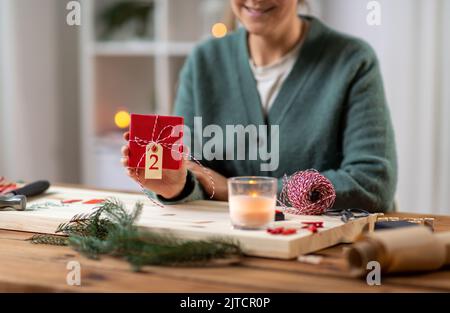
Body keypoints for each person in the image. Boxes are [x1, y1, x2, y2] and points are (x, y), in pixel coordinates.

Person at [121, 0, 397, 213]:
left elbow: (371, 184)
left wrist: (235, 190)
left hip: (332, 252)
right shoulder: (204, 61)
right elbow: (195, 174)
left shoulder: (353, 61)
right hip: (232, 246)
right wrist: (176, 187)